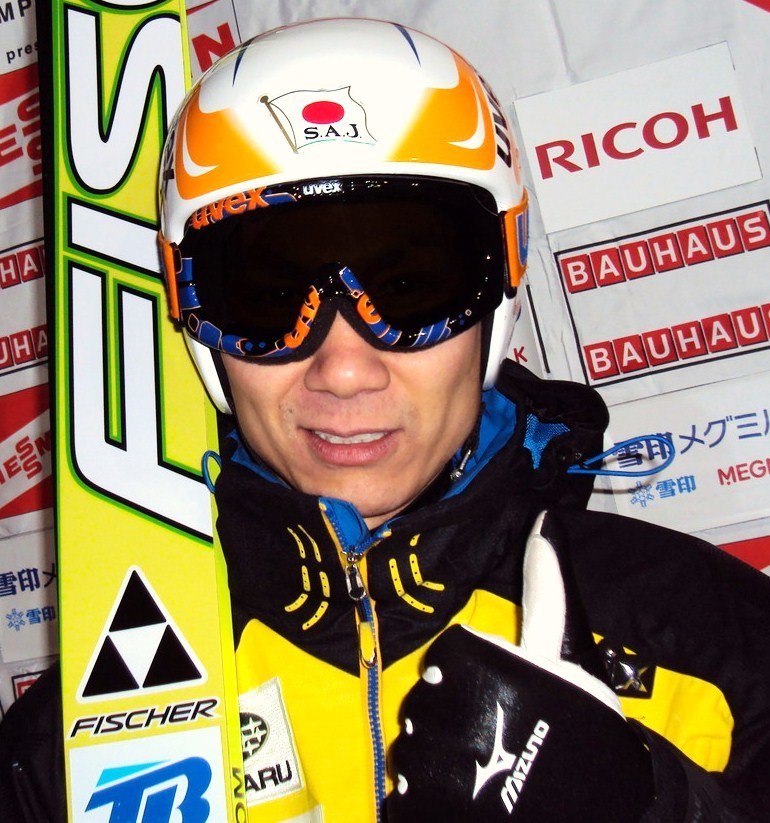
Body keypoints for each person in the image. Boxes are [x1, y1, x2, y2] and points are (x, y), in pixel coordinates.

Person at [3, 16, 770, 822]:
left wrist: (656, 805)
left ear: (501, 291)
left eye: (410, 290)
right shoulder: (77, 740)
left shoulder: (697, 631)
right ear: (195, 320)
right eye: (269, 298)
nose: (343, 369)